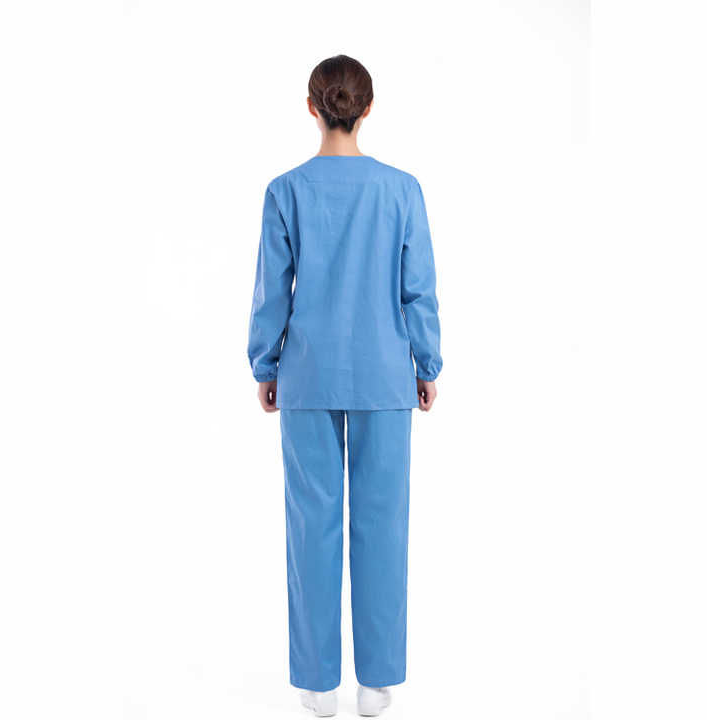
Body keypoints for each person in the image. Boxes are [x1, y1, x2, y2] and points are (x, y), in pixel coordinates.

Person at [247, 54, 442, 717]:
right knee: (383, 526)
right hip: (386, 376)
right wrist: (427, 364)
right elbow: (418, 288)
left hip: (307, 375)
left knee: (312, 527)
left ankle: (316, 683)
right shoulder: (401, 190)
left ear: (312, 107)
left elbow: (272, 291)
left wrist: (265, 365)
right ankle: (377, 682)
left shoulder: (285, 191)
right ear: (368, 109)